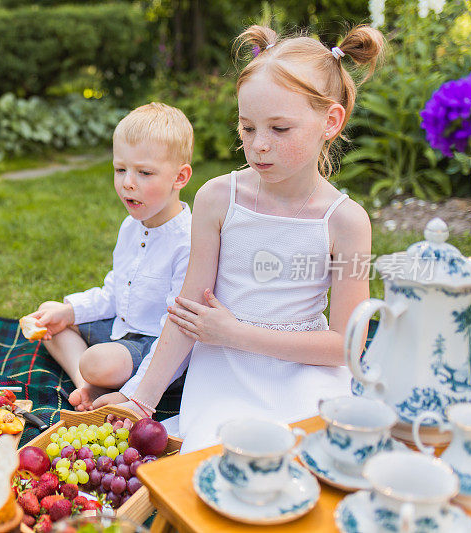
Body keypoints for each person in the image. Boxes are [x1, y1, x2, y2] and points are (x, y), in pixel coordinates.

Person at [105, 25, 384, 453]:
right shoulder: (218, 199)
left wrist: (236, 333)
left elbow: (346, 347)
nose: (259, 147)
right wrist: (140, 399)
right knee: (219, 457)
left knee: (316, 458)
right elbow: (189, 311)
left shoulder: (346, 221)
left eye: (279, 129)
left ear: (330, 121)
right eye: (247, 127)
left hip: (304, 368)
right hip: (224, 369)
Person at [30, 103, 194, 411]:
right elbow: (115, 293)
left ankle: (97, 380)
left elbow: (178, 335)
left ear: (180, 177)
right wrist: (69, 312)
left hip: (156, 348)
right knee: (49, 318)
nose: (127, 182)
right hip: (121, 327)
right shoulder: (131, 226)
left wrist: (132, 394)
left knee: (96, 361)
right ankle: (87, 389)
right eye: (121, 169)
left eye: (144, 173)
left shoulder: (188, 243)